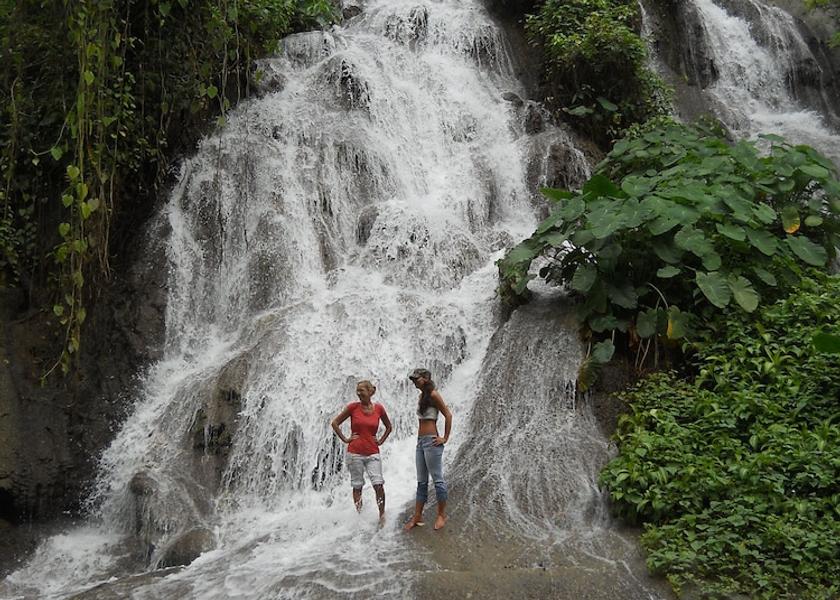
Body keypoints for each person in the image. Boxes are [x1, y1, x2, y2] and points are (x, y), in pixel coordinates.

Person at [331, 380, 393, 521]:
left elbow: (389, 426)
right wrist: (346, 439)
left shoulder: (379, 409)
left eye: (362, 390)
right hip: (355, 453)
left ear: (370, 392)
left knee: (378, 484)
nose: (359, 393)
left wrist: (381, 440)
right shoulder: (353, 407)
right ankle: (360, 515)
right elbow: (335, 423)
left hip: (373, 452)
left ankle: (382, 515)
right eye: (357, 390)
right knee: (357, 486)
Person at [404, 368, 453, 531]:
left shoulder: (433, 395)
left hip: (432, 442)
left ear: (425, 378)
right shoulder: (422, 396)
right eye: (412, 380)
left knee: (438, 480)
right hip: (420, 442)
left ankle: (441, 515)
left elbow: (448, 415)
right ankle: (417, 517)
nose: (414, 382)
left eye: (416, 379)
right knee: (421, 481)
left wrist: (444, 438)